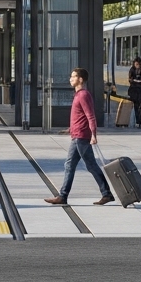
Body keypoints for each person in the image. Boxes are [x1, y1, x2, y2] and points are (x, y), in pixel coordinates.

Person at [45, 67, 114, 206]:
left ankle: (106, 193)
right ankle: (63, 196)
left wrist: (93, 134)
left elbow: (90, 116)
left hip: (82, 136)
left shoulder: (83, 95)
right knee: (71, 165)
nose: (71, 79)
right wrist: (70, 129)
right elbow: (80, 116)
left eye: (73, 76)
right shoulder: (78, 95)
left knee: (90, 165)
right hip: (77, 134)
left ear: (80, 79)